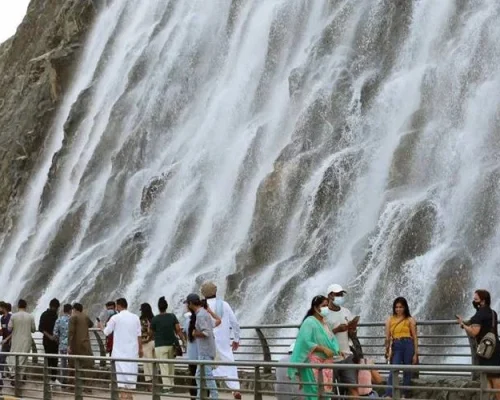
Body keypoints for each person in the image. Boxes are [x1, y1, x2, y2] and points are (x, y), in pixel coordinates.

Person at [288, 295, 340, 399]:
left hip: (326, 363)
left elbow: (331, 339)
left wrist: (337, 350)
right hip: (312, 363)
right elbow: (305, 341)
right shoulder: (309, 322)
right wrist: (323, 349)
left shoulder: (325, 323)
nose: (326, 308)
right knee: (313, 393)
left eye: (327, 306)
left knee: (325, 393)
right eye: (323, 305)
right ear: (316, 308)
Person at [200, 281, 241, 399]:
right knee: (229, 362)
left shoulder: (201, 307)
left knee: (207, 366)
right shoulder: (224, 305)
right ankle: (235, 389)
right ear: (216, 291)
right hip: (223, 340)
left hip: (207, 341)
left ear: (203, 294)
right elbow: (235, 323)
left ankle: (209, 391)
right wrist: (236, 338)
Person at [457, 289, 500, 400]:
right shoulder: (493, 313)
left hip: (485, 351)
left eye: (476, 299)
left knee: (492, 379)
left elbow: (474, 332)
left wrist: (463, 325)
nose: (474, 301)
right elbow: (477, 322)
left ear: (482, 301)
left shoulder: (479, 314)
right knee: (494, 377)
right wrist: (467, 321)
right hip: (495, 347)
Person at [104, 298, 142, 400]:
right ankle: (129, 396)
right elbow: (139, 335)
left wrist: (100, 326)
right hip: (132, 352)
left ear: (119, 306)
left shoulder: (115, 318)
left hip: (119, 353)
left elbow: (106, 332)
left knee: (121, 380)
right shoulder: (135, 318)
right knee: (130, 378)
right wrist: (140, 349)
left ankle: (124, 397)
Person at [325, 284, 359, 397]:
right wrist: (337, 330)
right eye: (337, 294)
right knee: (329, 391)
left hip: (346, 356)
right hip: (330, 359)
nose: (340, 297)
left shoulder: (346, 312)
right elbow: (320, 337)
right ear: (330, 296)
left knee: (354, 388)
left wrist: (352, 331)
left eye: (341, 294)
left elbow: (352, 335)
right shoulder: (323, 314)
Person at [183, 303, 222, 399]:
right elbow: (218, 320)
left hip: (200, 352)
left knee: (203, 375)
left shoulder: (197, 318)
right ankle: (201, 396)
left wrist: (195, 334)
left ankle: (213, 396)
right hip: (202, 352)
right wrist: (210, 311)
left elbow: (205, 333)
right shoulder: (205, 317)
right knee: (199, 375)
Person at [384, 297, 418, 398]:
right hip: (396, 345)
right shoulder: (390, 319)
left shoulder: (410, 319)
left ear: (405, 308)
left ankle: (405, 395)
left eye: (401, 307)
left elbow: (415, 337)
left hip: (408, 344)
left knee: (407, 370)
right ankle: (389, 394)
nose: (398, 309)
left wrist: (416, 353)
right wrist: (387, 351)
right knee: (394, 369)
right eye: (396, 307)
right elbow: (387, 338)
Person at [151, 296, 184, 394]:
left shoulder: (155, 319)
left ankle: (167, 388)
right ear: (166, 306)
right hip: (171, 344)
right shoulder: (172, 316)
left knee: (163, 366)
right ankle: (172, 385)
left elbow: (151, 333)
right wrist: (183, 340)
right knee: (171, 365)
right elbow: (178, 330)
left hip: (160, 346)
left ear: (158, 307)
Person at [68, 302, 94, 392]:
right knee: (87, 366)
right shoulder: (85, 316)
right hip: (86, 344)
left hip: (75, 345)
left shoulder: (73, 317)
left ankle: (73, 386)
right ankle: (88, 387)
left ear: (74, 309)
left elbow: (71, 332)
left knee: (73, 365)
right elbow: (91, 324)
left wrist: (68, 345)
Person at [7, 299, 36, 379]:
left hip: (16, 340)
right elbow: (33, 330)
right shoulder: (30, 316)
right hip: (26, 341)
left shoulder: (13, 316)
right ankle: (20, 377)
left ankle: (13, 375)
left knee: (13, 358)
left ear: (18, 306)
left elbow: (9, 328)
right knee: (24, 359)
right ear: (26, 306)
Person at [39, 298, 61, 385]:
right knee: (53, 360)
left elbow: (41, 328)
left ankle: (51, 379)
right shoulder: (52, 315)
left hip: (49, 341)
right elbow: (41, 328)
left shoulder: (46, 314)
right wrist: (51, 337)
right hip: (51, 341)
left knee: (50, 360)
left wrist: (50, 336)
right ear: (56, 307)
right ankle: (52, 379)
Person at [54, 304, 72, 384]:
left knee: (63, 363)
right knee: (72, 363)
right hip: (72, 345)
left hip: (62, 345)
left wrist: (59, 340)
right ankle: (72, 380)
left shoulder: (59, 320)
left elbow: (55, 333)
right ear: (70, 310)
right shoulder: (72, 319)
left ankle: (63, 380)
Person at [139, 303, 155, 389]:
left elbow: (139, 332)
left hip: (146, 343)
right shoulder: (154, 318)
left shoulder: (142, 320)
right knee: (154, 364)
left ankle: (150, 386)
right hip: (155, 343)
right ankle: (156, 384)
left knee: (147, 366)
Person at [0, 302, 12, 387]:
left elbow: (13, 331)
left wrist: (7, 339)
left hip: (11, 342)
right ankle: (0, 379)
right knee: (1, 360)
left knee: (13, 361)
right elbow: (3, 330)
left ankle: (19, 378)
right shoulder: (2, 318)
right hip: (4, 343)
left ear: (3, 308)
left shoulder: (11, 317)